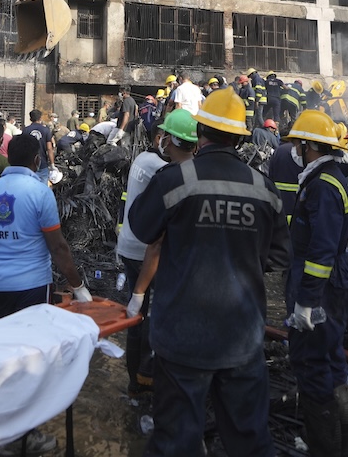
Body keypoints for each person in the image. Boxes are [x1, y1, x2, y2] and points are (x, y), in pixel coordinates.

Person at [128, 87, 291, 456]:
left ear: (200, 132)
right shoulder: (263, 188)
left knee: (176, 442)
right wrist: (238, 252)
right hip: (242, 337)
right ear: (239, 137)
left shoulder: (176, 180)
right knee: (248, 441)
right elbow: (280, 255)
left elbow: (140, 228)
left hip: (182, 337)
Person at [0, 134, 91, 457]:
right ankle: (23, 436)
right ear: (37, 161)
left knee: (10, 354)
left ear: (8, 156)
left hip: (1, 287)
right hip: (32, 287)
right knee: (30, 360)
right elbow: (58, 247)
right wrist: (78, 286)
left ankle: (7, 425)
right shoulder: (40, 193)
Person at [281, 109, 348, 453]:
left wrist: (308, 301)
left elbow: (321, 251)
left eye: (298, 144)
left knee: (312, 363)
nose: (295, 149)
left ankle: (325, 448)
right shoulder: (328, 178)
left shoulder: (323, 185)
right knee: (332, 358)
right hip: (333, 281)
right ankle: (339, 444)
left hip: (321, 288)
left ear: (309, 146)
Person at [119, 110, 198, 396]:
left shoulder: (142, 159)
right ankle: (147, 378)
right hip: (148, 254)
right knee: (152, 316)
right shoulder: (165, 172)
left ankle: (136, 381)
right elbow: (160, 240)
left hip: (129, 247)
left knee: (137, 316)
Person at [22, 109, 55, 184]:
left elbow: (23, 147)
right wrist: (52, 164)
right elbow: (49, 148)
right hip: (42, 163)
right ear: (40, 118)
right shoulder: (45, 130)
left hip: (29, 164)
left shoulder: (26, 130)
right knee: (42, 189)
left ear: (30, 119)